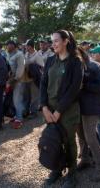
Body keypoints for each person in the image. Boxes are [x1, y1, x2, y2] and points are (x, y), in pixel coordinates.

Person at [40, 30, 83, 187]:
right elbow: (43, 84)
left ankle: (72, 174)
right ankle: (57, 169)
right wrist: (44, 107)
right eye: (52, 41)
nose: (53, 44)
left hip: (68, 110)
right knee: (53, 139)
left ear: (66, 41)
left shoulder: (75, 62)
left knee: (69, 141)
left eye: (56, 41)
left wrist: (59, 111)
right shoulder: (51, 60)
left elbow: (74, 89)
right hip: (50, 109)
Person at [77, 48, 100, 182]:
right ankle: (85, 159)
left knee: (90, 138)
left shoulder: (95, 66)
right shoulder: (75, 66)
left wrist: (84, 84)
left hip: (91, 107)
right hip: (78, 107)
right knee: (81, 136)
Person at [22, 39, 44, 119]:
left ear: (30, 46)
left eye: (26, 46)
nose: (25, 47)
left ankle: (33, 112)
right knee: (26, 96)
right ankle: (26, 111)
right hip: (26, 78)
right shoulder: (26, 54)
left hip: (34, 79)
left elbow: (42, 67)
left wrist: (33, 66)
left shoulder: (38, 55)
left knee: (35, 96)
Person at [6, 40, 25, 129]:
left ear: (14, 46)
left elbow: (20, 70)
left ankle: (19, 119)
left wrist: (13, 80)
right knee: (13, 100)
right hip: (11, 80)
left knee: (17, 100)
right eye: (7, 45)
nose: (8, 47)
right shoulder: (9, 54)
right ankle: (17, 115)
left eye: (9, 45)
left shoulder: (19, 55)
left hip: (18, 81)